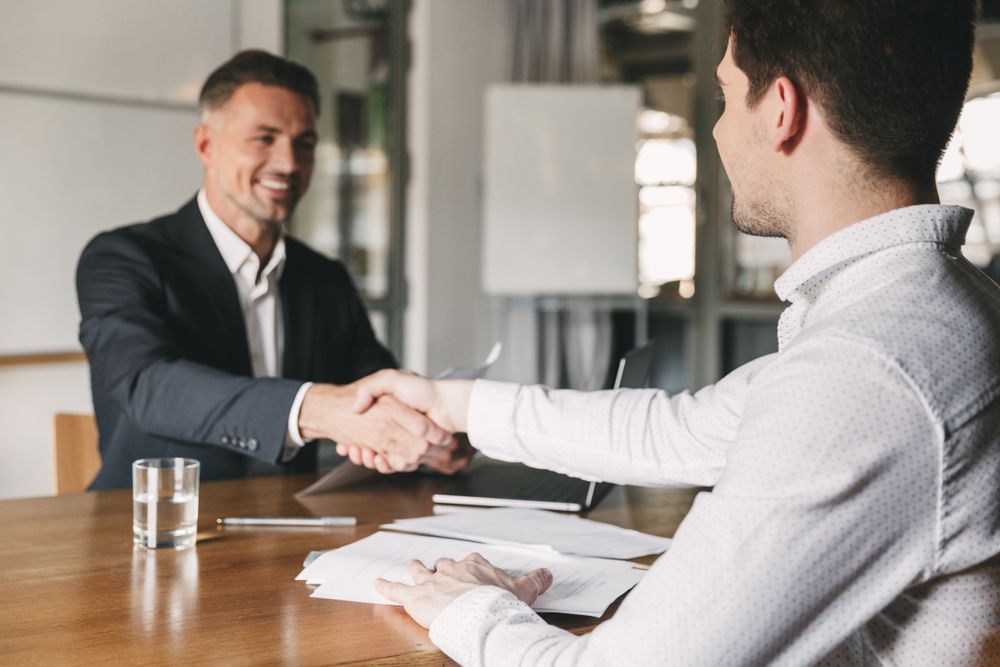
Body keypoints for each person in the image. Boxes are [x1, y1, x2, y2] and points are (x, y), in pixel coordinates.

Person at [344, 1, 1000, 664]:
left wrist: (467, 603)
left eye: (724, 95)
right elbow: (682, 431)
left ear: (780, 109)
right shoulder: (925, 308)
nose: (715, 130)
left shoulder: (869, 370)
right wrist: (454, 404)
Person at [76, 50, 466, 490]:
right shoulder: (123, 257)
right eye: (264, 138)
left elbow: (375, 389)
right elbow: (146, 384)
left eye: (305, 144)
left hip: (295, 520)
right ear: (206, 144)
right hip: (151, 526)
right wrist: (315, 409)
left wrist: (430, 438)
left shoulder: (325, 277)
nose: (289, 163)